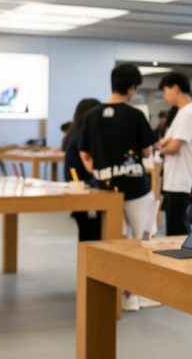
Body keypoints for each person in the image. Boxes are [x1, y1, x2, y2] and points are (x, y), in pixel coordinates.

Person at [80, 63, 158, 311]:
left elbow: (84, 153)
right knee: (143, 240)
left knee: (114, 242)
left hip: (105, 188)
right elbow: (146, 150)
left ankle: (116, 295)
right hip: (136, 188)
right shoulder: (136, 115)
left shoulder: (91, 115)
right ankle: (136, 294)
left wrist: (97, 170)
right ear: (132, 87)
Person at [156, 72, 192, 237]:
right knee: (174, 230)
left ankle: (183, 263)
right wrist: (164, 144)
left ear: (175, 88)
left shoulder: (189, 112)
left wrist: (162, 148)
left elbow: (173, 146)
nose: (164, 96)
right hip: (175, 181)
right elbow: (166, 141)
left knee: (179, 232)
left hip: (183, 183)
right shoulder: (182, 112)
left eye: (165, 91)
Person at [64, 97, 104, 242]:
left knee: (86, 231)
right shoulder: (83, 136)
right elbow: (91, 165)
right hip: (85, 188)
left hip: (77, 187)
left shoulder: (75, 133)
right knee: (92, 233)